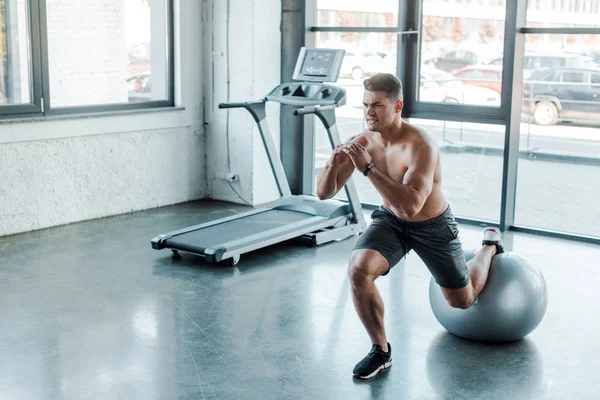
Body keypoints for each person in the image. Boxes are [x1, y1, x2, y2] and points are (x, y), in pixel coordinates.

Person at [316, 73, 504, 380]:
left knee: (463, 300)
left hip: (432, 224)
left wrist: (367, 168)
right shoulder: (363, 141)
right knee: (358, 269)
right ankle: (381, 351)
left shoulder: (420, 145)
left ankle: (488, 247)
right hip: (391, 221)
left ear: (397, 105)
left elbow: (411, 206)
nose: (368, 113)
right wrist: (332, 164)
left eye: (376, 105)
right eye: (365, 105)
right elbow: (324, 192)